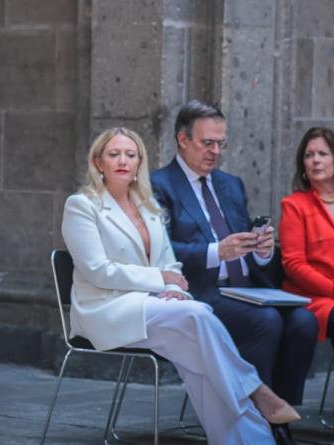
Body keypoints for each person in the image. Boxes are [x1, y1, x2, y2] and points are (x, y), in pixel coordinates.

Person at [62, 126, 300, 445]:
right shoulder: (82, 205)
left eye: (130, 155)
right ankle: (255, 390)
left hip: (155, 307)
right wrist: (160, 280)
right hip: (106, 308)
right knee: (197, 316)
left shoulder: (149, 207)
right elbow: (97, 271)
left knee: (199, 360)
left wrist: (173, 288)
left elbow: (169, 264)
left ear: (139, 163)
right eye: (114, 154)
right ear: (98, 162)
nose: (123, 160)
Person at [150, 101, 318, 445]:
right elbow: (161, 251)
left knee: (304, 321)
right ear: (183, 139)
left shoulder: (230, 184)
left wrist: (263, 249)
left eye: (221, 144)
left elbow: (251, 250)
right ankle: (256, 416)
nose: (215, 151)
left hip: (248, 288)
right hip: (199, 292)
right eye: (207, 143)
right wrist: (216, 252)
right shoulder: (160, 185)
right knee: (266, 322)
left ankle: (281, 414)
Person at [279, 127, 334, 346]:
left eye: (323, 154)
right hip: (316, 299)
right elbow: (294, 265)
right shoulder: (294, 205)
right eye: (309, 155)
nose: (315, 161)